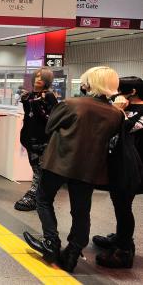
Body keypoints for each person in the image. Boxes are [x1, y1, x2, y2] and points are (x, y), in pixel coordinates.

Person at [23, 66, 123, 273]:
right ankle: (72, 254)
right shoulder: (116, 114)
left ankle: (50, 241)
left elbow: (50, 126)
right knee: (81, 210)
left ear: (88, 83)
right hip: (90, 168)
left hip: (59, 161)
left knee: (43, 199)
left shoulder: (71, 104)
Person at [92, 76, 143, 269]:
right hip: (118, 164)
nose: (115, 92)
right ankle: (121, 237)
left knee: (124, 207)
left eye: (119, 89)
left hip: (133, 167)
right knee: (119, 203)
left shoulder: (137, 111)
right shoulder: (125, 107)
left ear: (132, 92)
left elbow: (126, 129)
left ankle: (124, 251)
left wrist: (118, 111)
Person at [14, 68, 58, 211]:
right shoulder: (29, 96)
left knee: (40, 168)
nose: (39, 79)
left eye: (42, 77)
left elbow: (51, 118)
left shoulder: (49, 96)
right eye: (37, 76)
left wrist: (38, 104)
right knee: (35, 167)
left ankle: (36, 193)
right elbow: (28, 116)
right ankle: (37, 193)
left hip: (43, 140)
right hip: (29, 138)